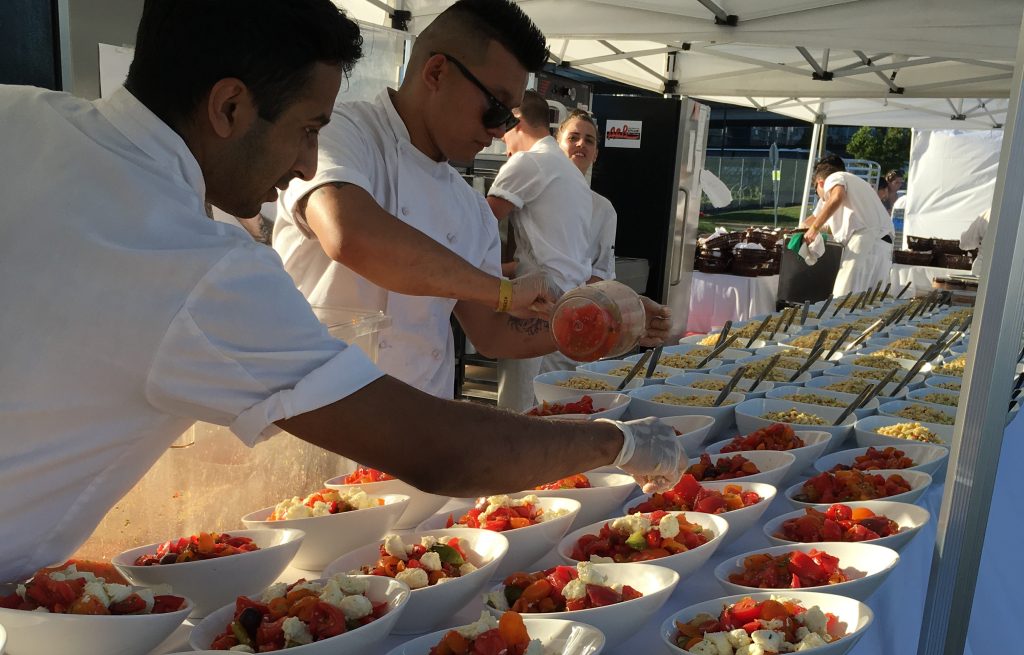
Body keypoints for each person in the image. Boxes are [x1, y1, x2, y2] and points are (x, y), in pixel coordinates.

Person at [0, 0, 682, 583]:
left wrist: (587, 324)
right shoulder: (210, 261)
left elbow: (493, 335)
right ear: (230, 106)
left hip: (408, 470)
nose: (302, 162)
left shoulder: (20, 114)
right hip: (316, 454)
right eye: (305, 131)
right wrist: (614, 443)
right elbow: (352, 235)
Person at [273, 0, 561, 398]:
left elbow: (493, 334)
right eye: (494, 107)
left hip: (418, 435)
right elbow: (348, 233)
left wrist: (597, 323)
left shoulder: (472, 208)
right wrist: (503, 292)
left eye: (508, 118)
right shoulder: (340, 133)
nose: (498, 131)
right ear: (436, 72)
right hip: (317, 422)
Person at [486, 90, 593, 410]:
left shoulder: (529, 160)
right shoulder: (571, 174)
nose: (498, 139)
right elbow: (551, 249)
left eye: (501, 130)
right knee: (554, 412)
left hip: (539, 307)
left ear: (516, 121)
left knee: (518, 414)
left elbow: (476, 222)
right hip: (570, 307)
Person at [802, 156, 894, 297]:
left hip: (867, 240)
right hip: (883, 244)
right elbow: (822, 218)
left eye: (816, 192)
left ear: (820, 183)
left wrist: (813, 229)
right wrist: (805, 227)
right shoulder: (856, 184)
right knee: (871, 301)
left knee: (843, 297)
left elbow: (837, 197)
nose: (821, 198)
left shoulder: (834, 178)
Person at [556, 108, 617, 283]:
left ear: (595, 154)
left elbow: (601, 272)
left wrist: (573, 304)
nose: (581, 143)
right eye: (573, 138)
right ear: (556, 145)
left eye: (589, 141)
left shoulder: (603, 209)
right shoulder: (534, 193)